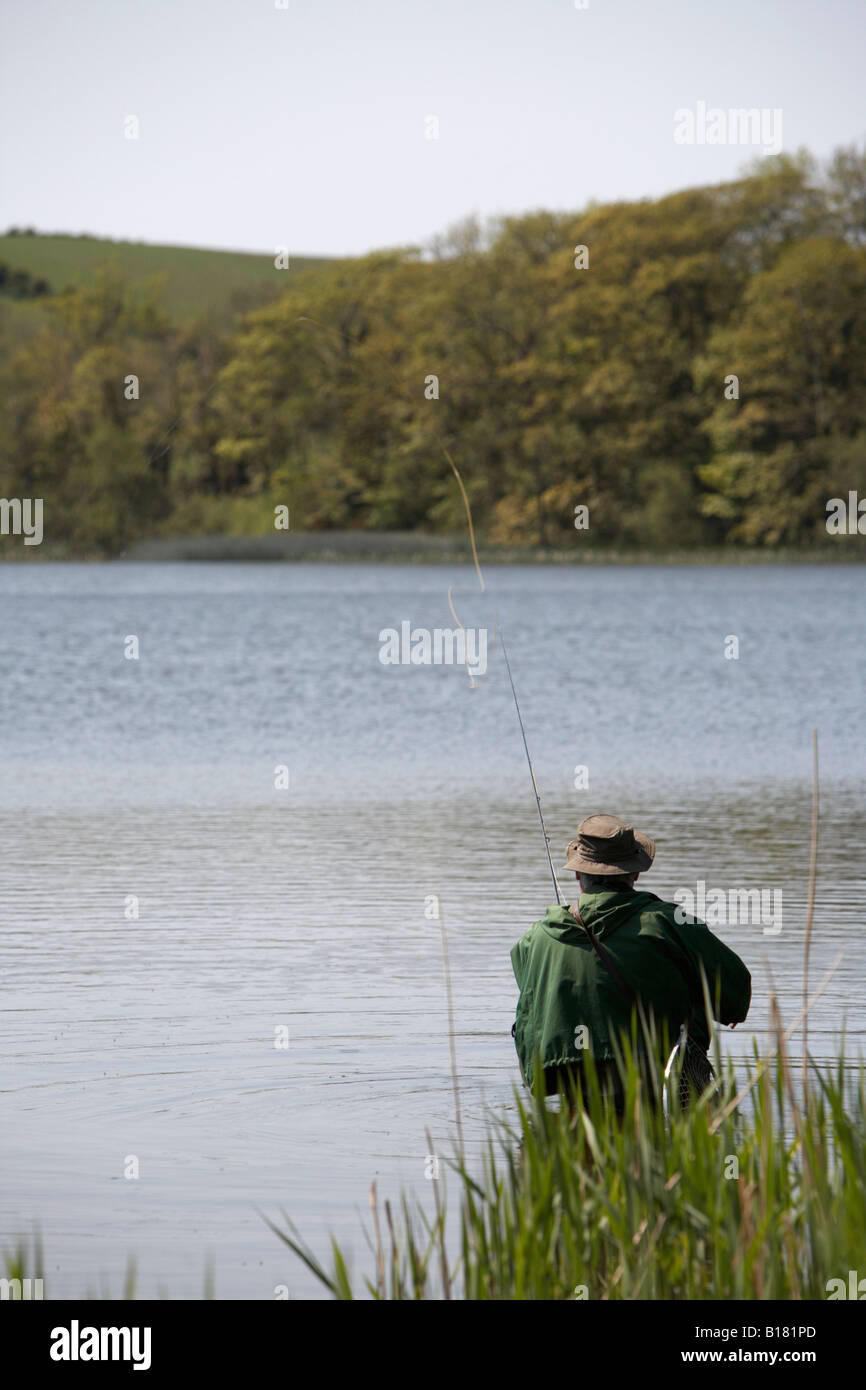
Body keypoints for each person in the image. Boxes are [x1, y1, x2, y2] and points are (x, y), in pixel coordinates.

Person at [510, 813, 751, 1112]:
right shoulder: (669, 923)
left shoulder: (537, 937)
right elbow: (737, 998)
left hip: (570, 1078)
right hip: (657, 1079)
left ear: (576, 874)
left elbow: (530, 997)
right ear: (635, 874)